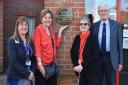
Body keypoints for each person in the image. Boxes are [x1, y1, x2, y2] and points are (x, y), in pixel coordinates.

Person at [33, 9, 68, 85]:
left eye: (49, 18)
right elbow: (37, 49)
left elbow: (56, 45)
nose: (47, 19)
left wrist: (60, 31)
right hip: (42, 67)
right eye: (45, 17)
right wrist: (39, 65)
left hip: (52, 66)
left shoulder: (51, 31)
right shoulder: (38, 30)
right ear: (41, 19)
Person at [92, 3, 123, 85]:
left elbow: (119, 45)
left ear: (108, 12)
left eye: (105, 10)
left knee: (110, 81)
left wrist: (120, 62)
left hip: (111, 58)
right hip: (98, 58)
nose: (103, 12)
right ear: (98, 13)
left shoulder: (116, 25)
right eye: (101, 11)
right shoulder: (94, 26)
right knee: (98, 81)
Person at [70, 15, 100, 85]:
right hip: (80, 71)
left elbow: (95, 55)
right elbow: (72, 53)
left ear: (89, 26)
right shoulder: (77, 38)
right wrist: (75, 65)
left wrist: (82, 65)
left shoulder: (93, 38)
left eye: (85, 24)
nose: (83, 26)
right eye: (81, 24)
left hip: (92, 72)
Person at [7, 16, 35, 85]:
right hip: (16, 76)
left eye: (26, 25)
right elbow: (13, 61)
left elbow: (32, 59)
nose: (24, 27)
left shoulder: (30, 41)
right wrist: (27, 73)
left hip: (28, 76)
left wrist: (32, 72)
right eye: (21, 25)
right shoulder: (12, 41)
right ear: (17, 27)